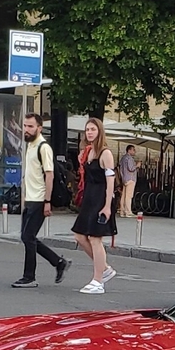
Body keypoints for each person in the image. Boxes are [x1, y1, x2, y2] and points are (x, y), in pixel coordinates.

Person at [11, 112, 69, 287]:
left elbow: (49, 175)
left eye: (30, 126)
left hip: (39, 200)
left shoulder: (43, 147)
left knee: (28, 237)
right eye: (25, 126)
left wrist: (47, 201)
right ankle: (58, 262)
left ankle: (30, 277)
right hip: (29, 199)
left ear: (39, 128)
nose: (26, 129)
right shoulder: (30, 145)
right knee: (27, 237)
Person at [69, 117, 119, 293]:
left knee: (95, 238)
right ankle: (104, 268)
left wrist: (107, 206)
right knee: (80, 236)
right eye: (87, 129)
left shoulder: (105, 153)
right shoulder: (88, 152)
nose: (89, 132)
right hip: (89, 198)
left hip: (101, 198)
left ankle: (98, 280)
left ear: (99, 132)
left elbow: (110, 182)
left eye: (93, 129)